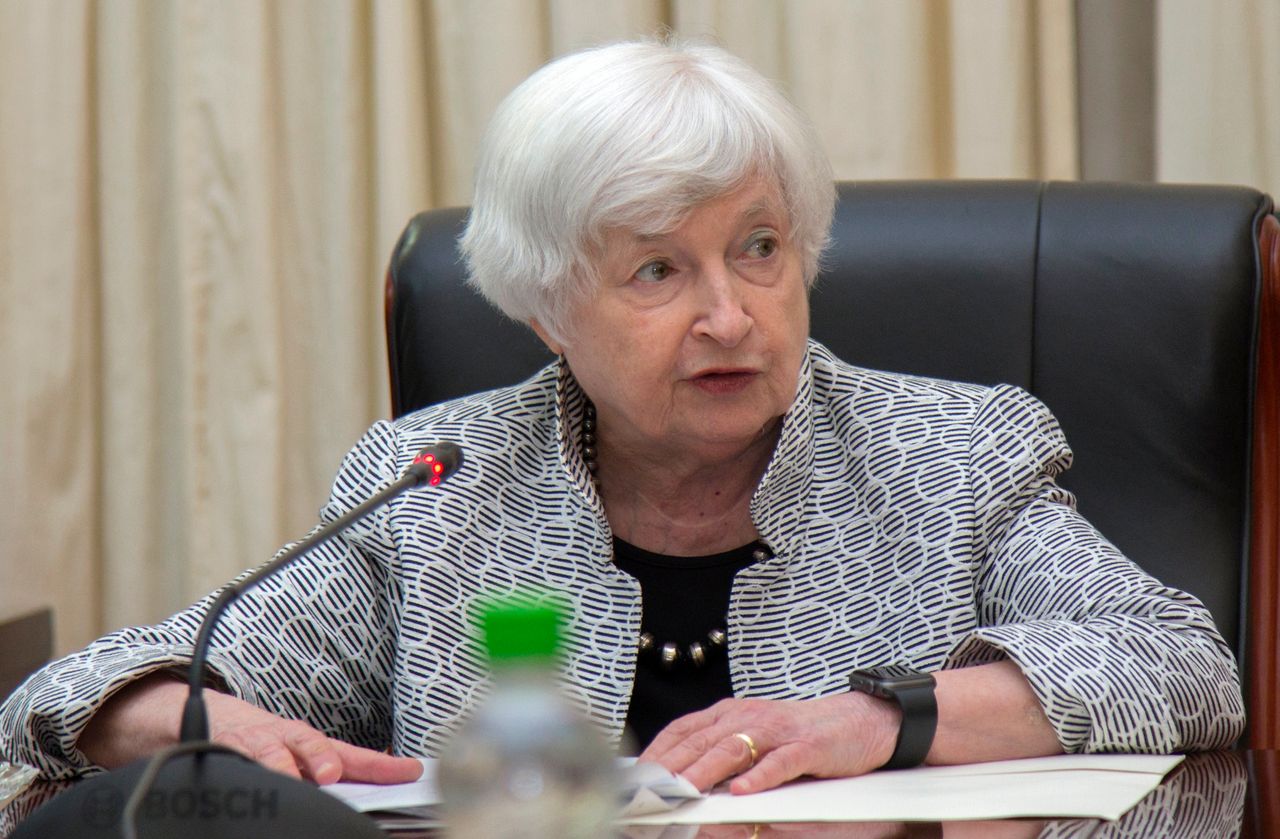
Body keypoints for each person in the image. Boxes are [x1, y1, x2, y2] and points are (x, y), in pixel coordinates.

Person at [0, 39, 1244, 798]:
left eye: (759, 248)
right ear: (548, 309)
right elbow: (68, 693)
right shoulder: (438, 487)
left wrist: (872, 719)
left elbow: (1179, 665)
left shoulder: (953, 454)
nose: (730, 315)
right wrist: (204, 723)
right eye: (656, 269)